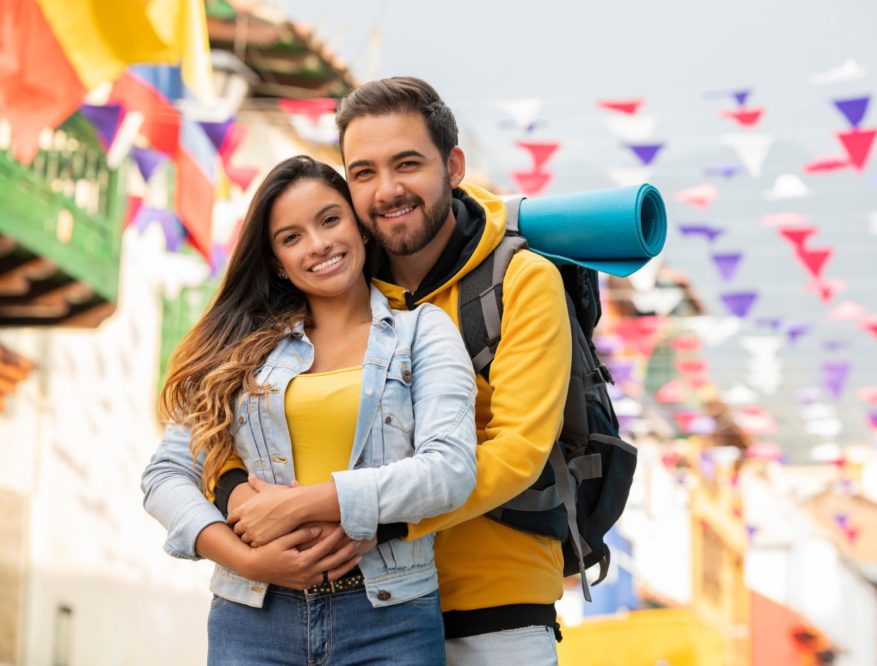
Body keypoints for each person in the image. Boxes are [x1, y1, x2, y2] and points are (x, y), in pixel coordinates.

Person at [216, 77, 573, 665]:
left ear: (452, 167)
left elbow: (517, 450)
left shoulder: (521, 281)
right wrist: (242, 499)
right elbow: (227, 421)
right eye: (364, 173)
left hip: (492, 609)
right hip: (347, 606)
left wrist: (368, 521)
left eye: (407, 164)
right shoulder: (333, 279)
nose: (387, 190)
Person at [141, 155, 478, 665]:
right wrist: (249, 561)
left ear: (360, 227)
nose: (318, 244)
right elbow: (166, 474)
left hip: (390, 618)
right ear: (277, 260)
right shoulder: (239, 349)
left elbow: (449, 470)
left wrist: (299, 506)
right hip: (252, 619)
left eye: (329, 219)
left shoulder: (422, 332)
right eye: (291, 237)